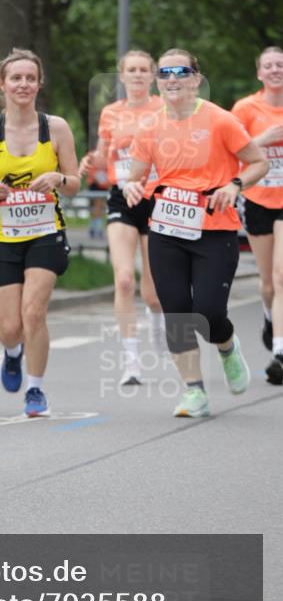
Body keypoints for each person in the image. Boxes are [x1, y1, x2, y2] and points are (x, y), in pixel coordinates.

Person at [124, 48, 269, 418]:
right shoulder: (150, 126)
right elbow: (136, 174)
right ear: (158, 81)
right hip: (167, 228)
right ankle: (194, 391)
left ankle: (226, 346)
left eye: (180, 72)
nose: (172, 79)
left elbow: (258, 161)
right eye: (165, 73)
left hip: (214, 228)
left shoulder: (219, 120)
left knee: (207, 312)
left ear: (195, 78)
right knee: (176, 312)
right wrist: (130, 186)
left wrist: (235, 185)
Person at [0, 48, 80, 417]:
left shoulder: (56, 128)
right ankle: (12, 352)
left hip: (46, 230)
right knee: (10, 326)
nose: (24, 84)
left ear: (39, 83)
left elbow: (76, 182)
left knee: (34, 312)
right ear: (2, 83)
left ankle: (35, 388)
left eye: (31, 78)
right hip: (1, 233)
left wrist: (60, 178)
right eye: (16, 78)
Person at [79, 50, 165, 385]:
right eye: (133, 70)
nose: (139, 75)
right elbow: (103, 157)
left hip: (155, 196)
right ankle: (131, 360)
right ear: (122, 76)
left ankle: (158, 322)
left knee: (153, 293)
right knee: (124, 278)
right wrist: (91, 161)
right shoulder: (111, 113)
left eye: (145, 70)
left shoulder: (163, 109)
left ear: (153, 75)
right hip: (121, 196)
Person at [232, 46, 283, 384]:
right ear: (259, 73)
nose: (276, 70)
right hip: (258, 199)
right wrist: (260, 140)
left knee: (282, 277)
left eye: (281, 65)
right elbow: (230, 152)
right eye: (269, 65)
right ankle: (269, 317)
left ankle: (279, 352)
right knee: (267, 284)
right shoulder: (245, 108)